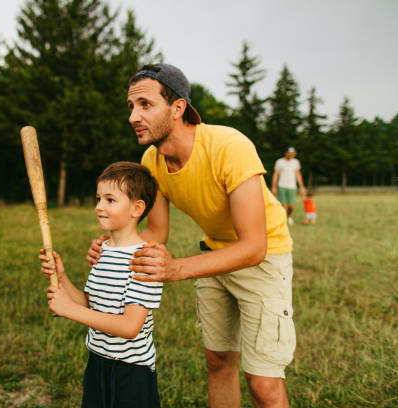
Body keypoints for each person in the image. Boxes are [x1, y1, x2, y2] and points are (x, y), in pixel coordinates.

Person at [87, 64, 296, 408]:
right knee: (218, 362)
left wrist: (177, 269)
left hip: (264, 257)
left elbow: (254, 246)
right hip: (214, 253)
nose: (133, 117)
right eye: (131, 107)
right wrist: (113, 246)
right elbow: (156, 232)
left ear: (178, 107)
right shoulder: (152, 161)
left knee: (263, 384)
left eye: (145, 105)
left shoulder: (230, 146)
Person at [40, 161, 163, 408]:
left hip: (131, 372)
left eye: (110, 200)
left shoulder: (144, 259)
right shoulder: (102, 251)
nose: (98, 207)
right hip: (97, 362)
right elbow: (90, 302)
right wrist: (62, 278)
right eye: (98, 199)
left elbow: (130, 327)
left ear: (137, 208)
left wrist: (70, 311)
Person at [271, 147, 306, 226]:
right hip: (282, 185)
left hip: (292, 186)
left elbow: (298, 174)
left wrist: (302, 187)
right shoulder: (279, 162)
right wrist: (274, 187)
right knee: (282, 205)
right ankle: (283, 221)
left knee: (291, 206)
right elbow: (276, 174)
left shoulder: (296, 162)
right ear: (286, 153)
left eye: (293, 154)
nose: (292, 155)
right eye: (290, 153)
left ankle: (288, 217)